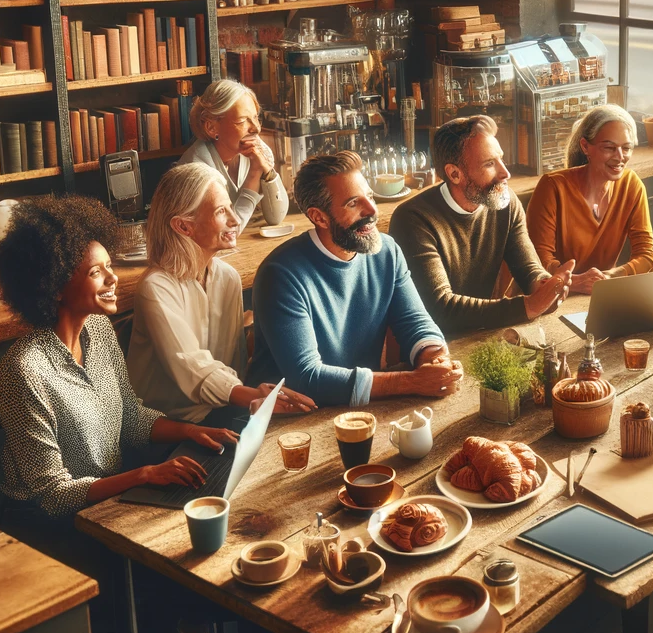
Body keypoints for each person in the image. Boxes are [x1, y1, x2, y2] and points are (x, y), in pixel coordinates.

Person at [0, 197, 241, 524]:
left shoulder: (98, 328)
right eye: (97, 272)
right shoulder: (24, 370)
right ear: (53, 286)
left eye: (110, 266)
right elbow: (52, 495)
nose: (113, 279)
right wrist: (143, 476)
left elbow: (129, 416)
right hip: (50, 525)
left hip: (111, 499)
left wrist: (192, 431)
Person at [251, 150, 461, 406]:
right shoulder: (281, 273)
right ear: (319, 217)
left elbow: (414, 321)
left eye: (370, 196)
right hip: (284, 419)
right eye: (353, 203)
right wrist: (412, 381)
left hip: (359, 406)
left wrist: (435, 361)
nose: (372, 210)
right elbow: (307, 377)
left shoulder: (387, 251)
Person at [128, 163, 315, 423]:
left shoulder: (228, 277)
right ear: (184, 227)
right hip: (169, 427)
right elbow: (192, 366)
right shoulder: (157, 287)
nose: (235, 220)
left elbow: (234, 360)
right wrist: (252, 396)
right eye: (220, 211)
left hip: (225, 411)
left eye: (230, 207)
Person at [389, 115, 574, 336]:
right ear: (454, 174)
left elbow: (528, 268)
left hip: (482, 335)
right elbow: (440, 308)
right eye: (489, 164)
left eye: (501, 159)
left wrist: (545, 285)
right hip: (431, 348)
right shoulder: (413, 218)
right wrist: (529, 306)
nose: (505, 173)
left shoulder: (505, 202)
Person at [523, 104, 653, 295]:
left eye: (626, 148)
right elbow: (537, 262)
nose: (620, 157)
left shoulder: (632, 185)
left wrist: (611, 277)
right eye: (609, 148)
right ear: (586, 146)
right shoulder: (552, 186)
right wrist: (576, 283)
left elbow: (646, 255)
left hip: (599, 295)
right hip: (547, 296)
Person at [179, 78, 289, 230]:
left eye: (256, 117)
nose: (256, 128)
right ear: (212, 127)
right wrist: (255, 173)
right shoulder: (197, 167)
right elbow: (225, 231)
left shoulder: (256, 150)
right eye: (243, 121)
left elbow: (276, 216)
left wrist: (269, 173)